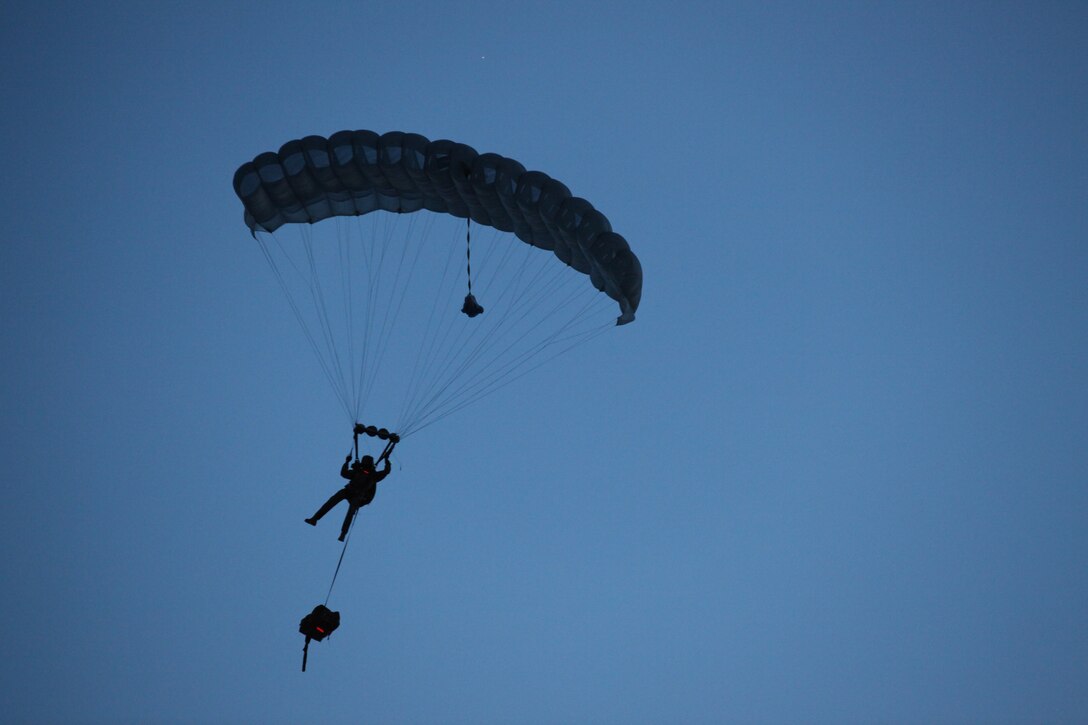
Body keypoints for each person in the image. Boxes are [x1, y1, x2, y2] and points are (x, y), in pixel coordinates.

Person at [305, 453, 392, 541]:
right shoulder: (357, 471)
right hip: (348, 491)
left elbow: (386, 471)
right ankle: (315, 519)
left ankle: (343, 533)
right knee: (332, 500)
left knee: (350, 512)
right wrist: (346, 462)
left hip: (359, 497)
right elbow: (343, 473)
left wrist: (387, 461)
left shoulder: (374, 475)